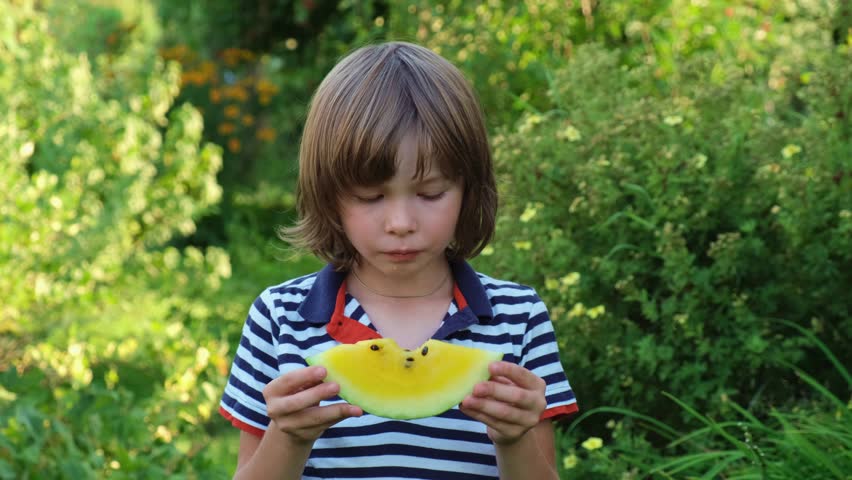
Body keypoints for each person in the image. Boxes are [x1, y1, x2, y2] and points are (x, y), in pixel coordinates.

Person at [219, 41, 578, 480]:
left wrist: (514, 437)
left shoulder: (519, 319)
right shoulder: (279, 318)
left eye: (430, 193)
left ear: (469, 188)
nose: (401, 222)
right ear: (329, 195)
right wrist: (288, 437)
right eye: (370, 196)